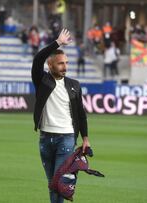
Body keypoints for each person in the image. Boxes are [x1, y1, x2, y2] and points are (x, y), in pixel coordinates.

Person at [31, 28, 90, 203]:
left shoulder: (74, 85)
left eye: (66, 63)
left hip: (66, 137)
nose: (65, 67)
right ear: (50, 66)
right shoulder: (42, 81)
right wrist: (57, 43)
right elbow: (37, 59)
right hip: (45, 138)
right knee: (52, 183)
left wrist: (85, 138)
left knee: (60, 182)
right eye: (60, 63)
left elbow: (81, 113)